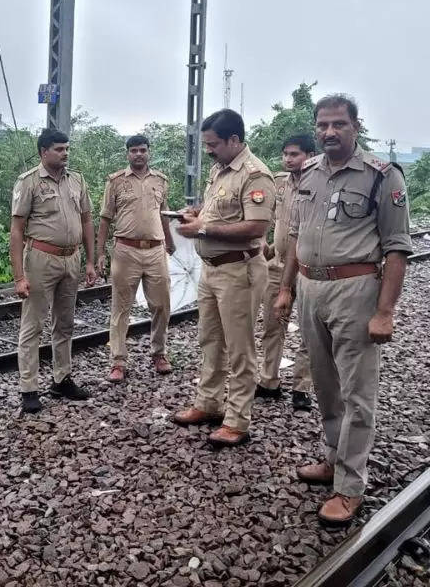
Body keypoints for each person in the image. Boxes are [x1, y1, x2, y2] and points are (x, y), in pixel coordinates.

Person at [275, 94, 411, 528]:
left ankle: (350, 486)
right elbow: (296, 237)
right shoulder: (308, 174)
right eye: (323, 125)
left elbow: (396, 249)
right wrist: (286, 289)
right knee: (326, 386)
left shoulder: (382, 177)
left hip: (355, 290)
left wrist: (384, 312)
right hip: (311, 287)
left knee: (357, 392)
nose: (329, 132)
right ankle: (334, 458)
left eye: (339, 124)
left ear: (355, 126)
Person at [171, 109, 275, 448]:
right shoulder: (220, 170)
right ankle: (209, 403)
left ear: (234, 140)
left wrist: (201, 228)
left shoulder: (256, 174)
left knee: (240, 348)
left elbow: (256, 227)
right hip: (212, 269)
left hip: (238, 270)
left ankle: (237, 420)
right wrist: (197, 214)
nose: (209, 150)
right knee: (210, 340)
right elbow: (218, 211)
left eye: (213, 144)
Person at [9, 128, 98, 413]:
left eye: (67, 148)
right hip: (40, 259)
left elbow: (87, 221)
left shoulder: (77, 180)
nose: (65, 153)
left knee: (65, 323)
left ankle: (62, 378)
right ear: (43, 152)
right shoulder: (29, 182)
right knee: (33, 325)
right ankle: (29, 388)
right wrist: (19, 276)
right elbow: (17, 230)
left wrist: (90, 261)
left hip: (71, 259)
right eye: (59, 149)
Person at [95, 134, 177, 383]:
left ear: (149, 151)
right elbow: (105, 218)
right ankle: (118, 361)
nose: (138, 154)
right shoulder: (116, 182)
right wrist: (100, 253)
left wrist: (170, 242)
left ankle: (159, 353)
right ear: (127, 153)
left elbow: (163, 213)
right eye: (133, 150)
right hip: (125, 250)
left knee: (162, 305)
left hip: (155, 250)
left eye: (142, 150)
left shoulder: (160, 181)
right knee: (121, 308)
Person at [255, 134, 317, 411]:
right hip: (277, 266)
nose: (289, 159)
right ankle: (269, 381)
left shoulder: (320, 183)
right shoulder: (279, 183)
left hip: (310, 270)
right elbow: (274, 220)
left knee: (309, 331)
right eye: (286, 154)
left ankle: (301, 387)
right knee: (272, 325)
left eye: (295, 154)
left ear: (310, 155)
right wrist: (265, 246)